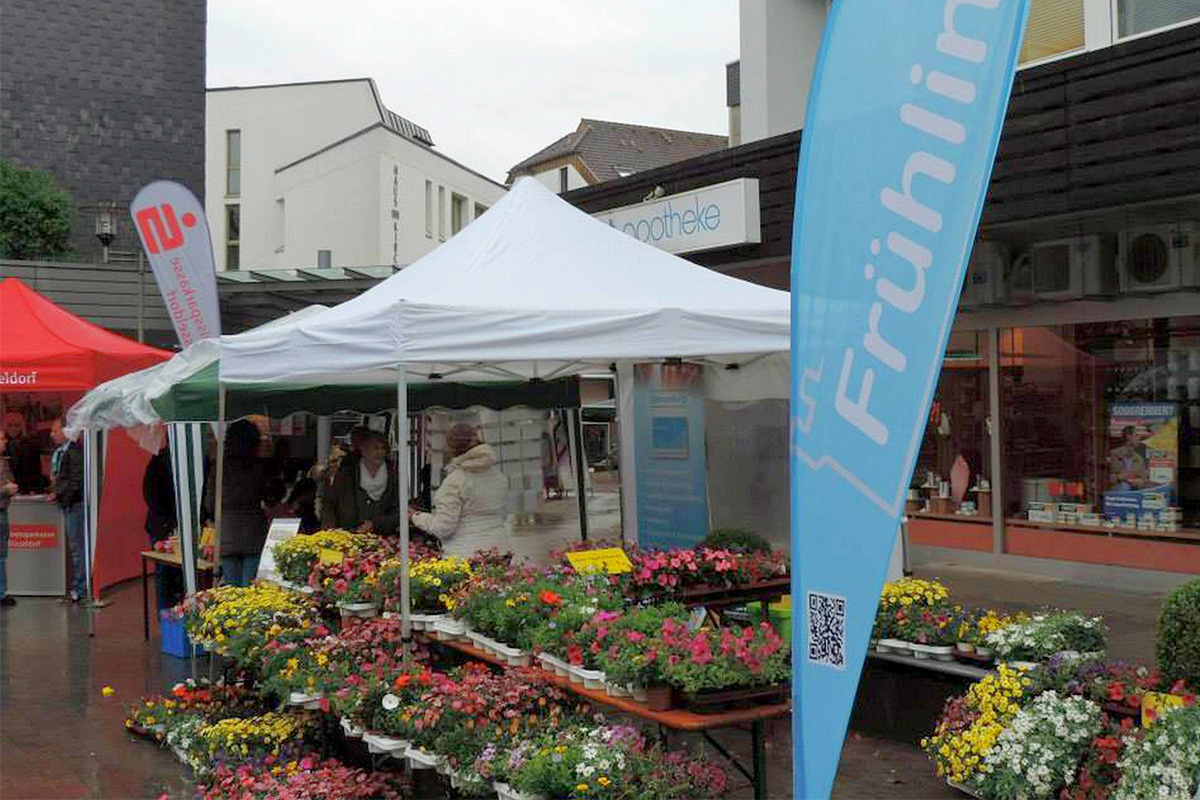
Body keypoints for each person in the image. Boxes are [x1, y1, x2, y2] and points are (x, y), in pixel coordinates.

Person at [410, 423, 509, 558]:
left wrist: (415, 516)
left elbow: (443, 528)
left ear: (451, 448)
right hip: (501, 550)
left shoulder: (456, 481)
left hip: (467, 554)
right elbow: (503, 514)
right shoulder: (497, 475)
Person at [217, 419, 270, 586]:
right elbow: (271, 496)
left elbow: (209, 505)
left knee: (231, 591)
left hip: (227, 532)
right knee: (250, 590)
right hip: (254, 533)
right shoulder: (258, 467)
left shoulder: (219, 467)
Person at [323, 430, 400, 535]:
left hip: (383, 534)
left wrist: (376, 524)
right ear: (363, 450)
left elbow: (398, 509)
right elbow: (331, 502)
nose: (380, 452)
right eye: (375, 448)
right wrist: (330, 531)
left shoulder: (394, 475)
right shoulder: (347, 473)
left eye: (383, 448)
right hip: (348, 532)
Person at [49, 419, 86, 602]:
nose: (51, 434)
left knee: (76, 548)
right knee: (75, 548)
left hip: (74, 505)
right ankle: (77, 586)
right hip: (69, 503)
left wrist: (63, 496)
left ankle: (79, 587)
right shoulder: (61, 452)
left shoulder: (73, 451)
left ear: (65, 431)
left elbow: (76, 481)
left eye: (55, 430)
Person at [143, 444, 182, 609]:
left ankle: (165, 613)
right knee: (168, 570)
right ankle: (171, 611)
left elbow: (149, 493)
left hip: (161, 523)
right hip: (165, 524)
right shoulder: (160, 460)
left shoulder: (157, 459)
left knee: (163, 571)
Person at [3, 412, 46, 493]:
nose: (13, 428)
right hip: (7, 488)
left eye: (17, 425)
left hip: (29, 487)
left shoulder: (31, 445)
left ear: (22, 427)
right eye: (10, 425)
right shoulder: (2, 444)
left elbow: (38, 469)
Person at [0, 428, 19, 607]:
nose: (5, 441)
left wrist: (11, 487)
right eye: (2, 439)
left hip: (3, 512)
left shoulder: (3, 462)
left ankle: (2, 592)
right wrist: (5, 490)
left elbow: (10, 480)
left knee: (2, 554)